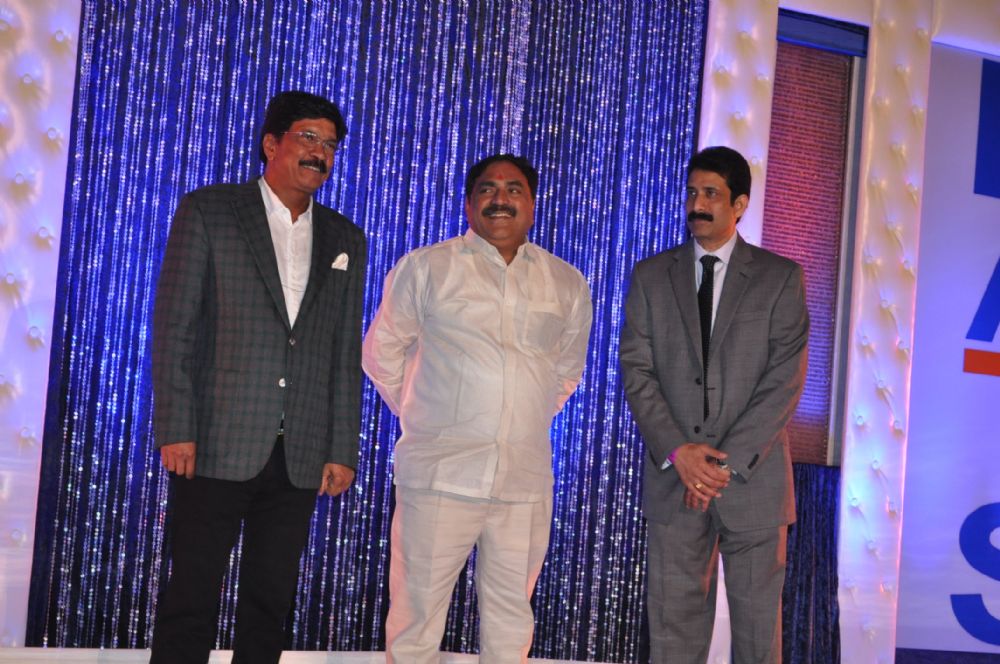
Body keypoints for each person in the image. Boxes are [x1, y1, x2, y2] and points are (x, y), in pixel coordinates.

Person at [150, 90, 366, 664]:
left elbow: (344, 353)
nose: (320, 153)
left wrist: (341, 447)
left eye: (331, 145)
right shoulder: (210, 211)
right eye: (308, 138)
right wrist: (176, 426)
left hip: (301, 452)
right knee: (192, 597)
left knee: (270, 604)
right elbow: (175, 327)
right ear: (271, 144)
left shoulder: (346, 238)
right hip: (214, 441)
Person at [362, 154, 592, 663]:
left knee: (512, 624)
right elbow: (381, 354)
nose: (500, 199)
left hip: (523, 482)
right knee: (416, 621)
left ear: (532, 204)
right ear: (468, 204)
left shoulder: (567, 282)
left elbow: (564, 373)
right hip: (441, 475)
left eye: (514, 189)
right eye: (487, 189)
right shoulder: (428, 268)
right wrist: (432, 416)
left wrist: (519, 418)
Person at [620, 146, 808, 664]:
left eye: (711, 194)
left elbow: (784, 382)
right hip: (675, 480)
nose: (697, 205)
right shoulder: (652, 275)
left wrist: (723, 464)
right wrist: (680, 452)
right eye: (691, 193)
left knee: (757, 640)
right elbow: (636, 371)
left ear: (739, 204)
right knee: (673, 636)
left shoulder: (779, 277)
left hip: (752, 482)